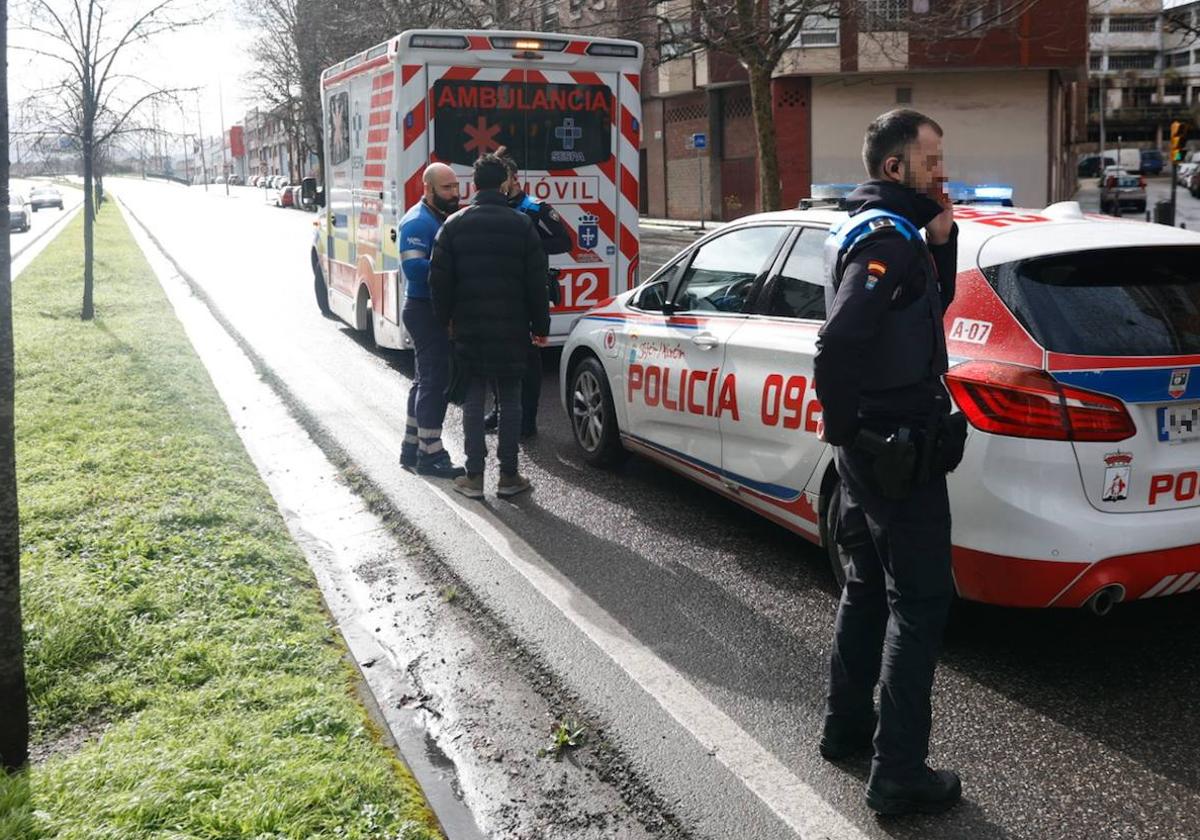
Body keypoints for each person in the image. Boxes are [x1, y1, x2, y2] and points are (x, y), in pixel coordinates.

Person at [813, 109, 968, 817]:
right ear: (895, 167)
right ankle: (898, 772)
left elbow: (928, 306)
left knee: (868, 588)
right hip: (894, 447)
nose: (944, 170)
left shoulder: (889, 230)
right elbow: (841, 341)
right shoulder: (886, 239)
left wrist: (945, 236)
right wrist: (853, 431)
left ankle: (847, 731)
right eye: (932, 159)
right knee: (920, 601)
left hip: (871, 448)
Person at [429, 154, 551, 499]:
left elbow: (439, 281)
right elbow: (536, 283)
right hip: (513, 329)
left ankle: (474, 476)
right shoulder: (522, 225)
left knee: (473, 399)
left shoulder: (453, 225)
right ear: (503, 184)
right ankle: (509, 477)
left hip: (468, 329)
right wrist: (541, 326)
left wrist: (446, 321)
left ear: (473, 186)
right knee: (510, 400)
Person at [481, 151, 572, 438]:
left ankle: (527, 419)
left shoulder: (535, 208)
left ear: (514, 179)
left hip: (530, 288)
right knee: (495, 355)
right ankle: (499, 410)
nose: (504, 183)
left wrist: (530, 243)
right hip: (500, 291)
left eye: (507, 177)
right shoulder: (493, 208)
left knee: (529, 359)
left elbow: (565, 241)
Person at [398, 163, 467, 479]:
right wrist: (454, 268)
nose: (455, 194)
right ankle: (430, 453)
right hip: (424, 310)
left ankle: (412, 447)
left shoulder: (439, 217)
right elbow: (413, 270)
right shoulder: (416, 223)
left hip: (431, 309)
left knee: (424, 380)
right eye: (447, 188)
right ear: (427, 189)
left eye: (456, 187)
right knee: (434, 382)